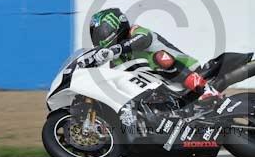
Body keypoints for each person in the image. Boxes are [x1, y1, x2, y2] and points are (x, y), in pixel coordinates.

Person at [88, 8, 222, 101]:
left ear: (114, 25)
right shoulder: (116, 59)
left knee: (158, 57)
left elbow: (143, 39)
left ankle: (206, 89)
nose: (100, 38)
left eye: (102, 32)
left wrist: (116, 49)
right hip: (164, 86)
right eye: (96, 34)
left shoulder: (136, 31)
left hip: (185, 69)